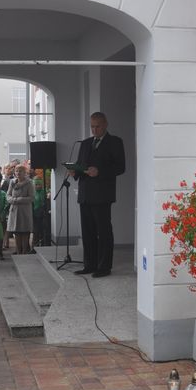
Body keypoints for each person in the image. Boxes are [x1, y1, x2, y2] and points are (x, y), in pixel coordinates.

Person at [72, 112, 125, 277]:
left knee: (103, 232)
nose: (94, 130)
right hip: (85, 194)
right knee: (87, 232)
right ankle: (90, 264)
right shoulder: (86, 143)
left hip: (102, 195)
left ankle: (104, 267)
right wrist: (76, 172)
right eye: (92, 126)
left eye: (97, 126)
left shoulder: (115, 142)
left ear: (105, 124)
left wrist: (100, 171)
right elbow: (82, 165)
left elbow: (121, 167)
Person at [6, 164, 34, 255]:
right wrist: (13, 200)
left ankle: (25, 252)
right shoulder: (12, 182)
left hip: (24, 211)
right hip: (14, 210)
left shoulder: (29, 183)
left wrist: (19, 199)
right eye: (16, 171)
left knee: (25, 232)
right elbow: (8, 196)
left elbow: (31, 198)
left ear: (25, 173)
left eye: (20, 171)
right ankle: (18, 252)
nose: (18, 173)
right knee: (16, 232)